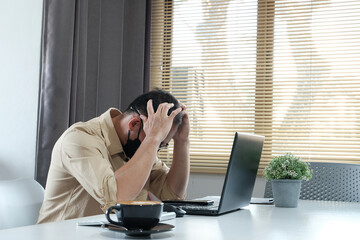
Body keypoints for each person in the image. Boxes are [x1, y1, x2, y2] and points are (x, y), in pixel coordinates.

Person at [37, 89, 190, 223]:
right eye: (157, 141)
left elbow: (173, 196)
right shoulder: (79, 139)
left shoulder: (140, 146)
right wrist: (153, 139)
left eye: (161, 144)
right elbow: (117, 199)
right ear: (134, 124)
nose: (156, 148)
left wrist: (182, 141)